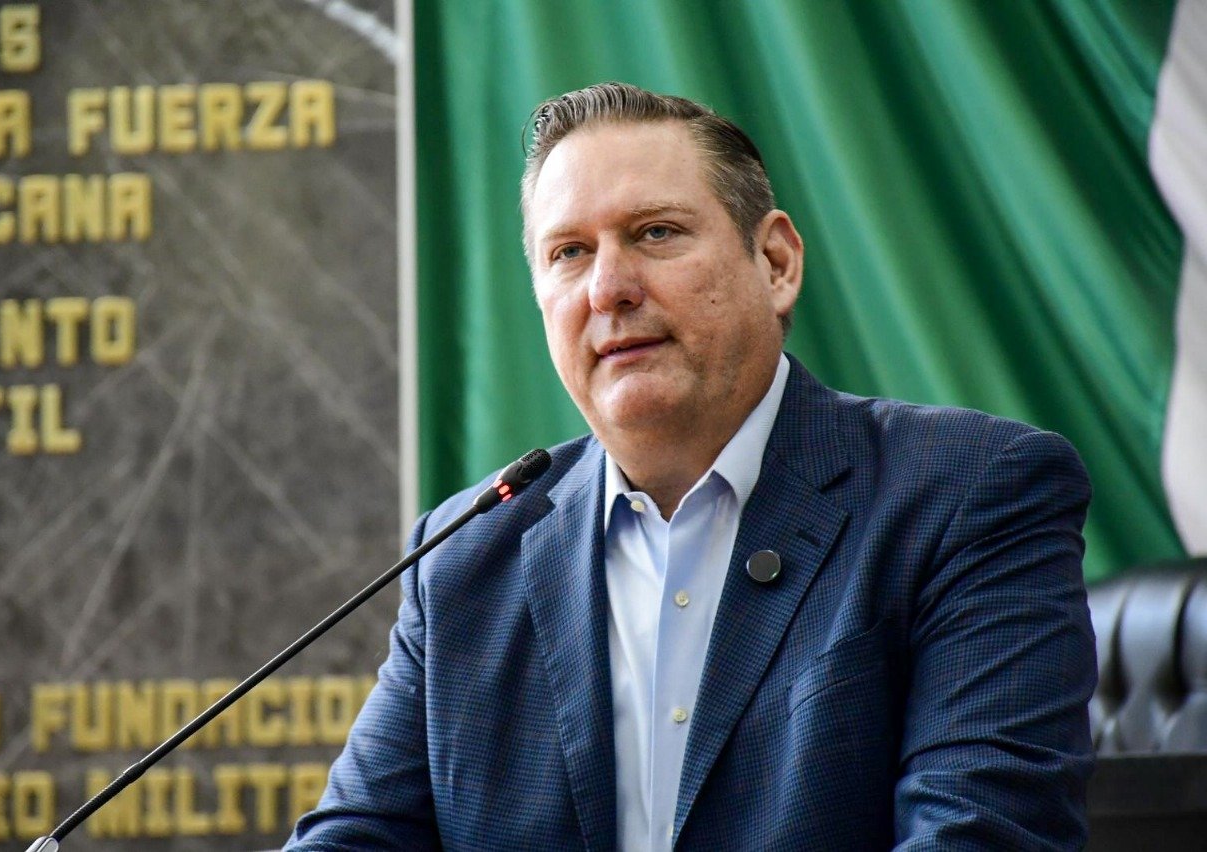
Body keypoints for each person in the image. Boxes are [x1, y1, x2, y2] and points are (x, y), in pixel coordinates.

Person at [287, 82, 1096, 850]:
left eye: (655, 233)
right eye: (570, 252)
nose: (608, 288)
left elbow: (981, 832)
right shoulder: (465, 557)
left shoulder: (968, 493)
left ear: (775, 263)